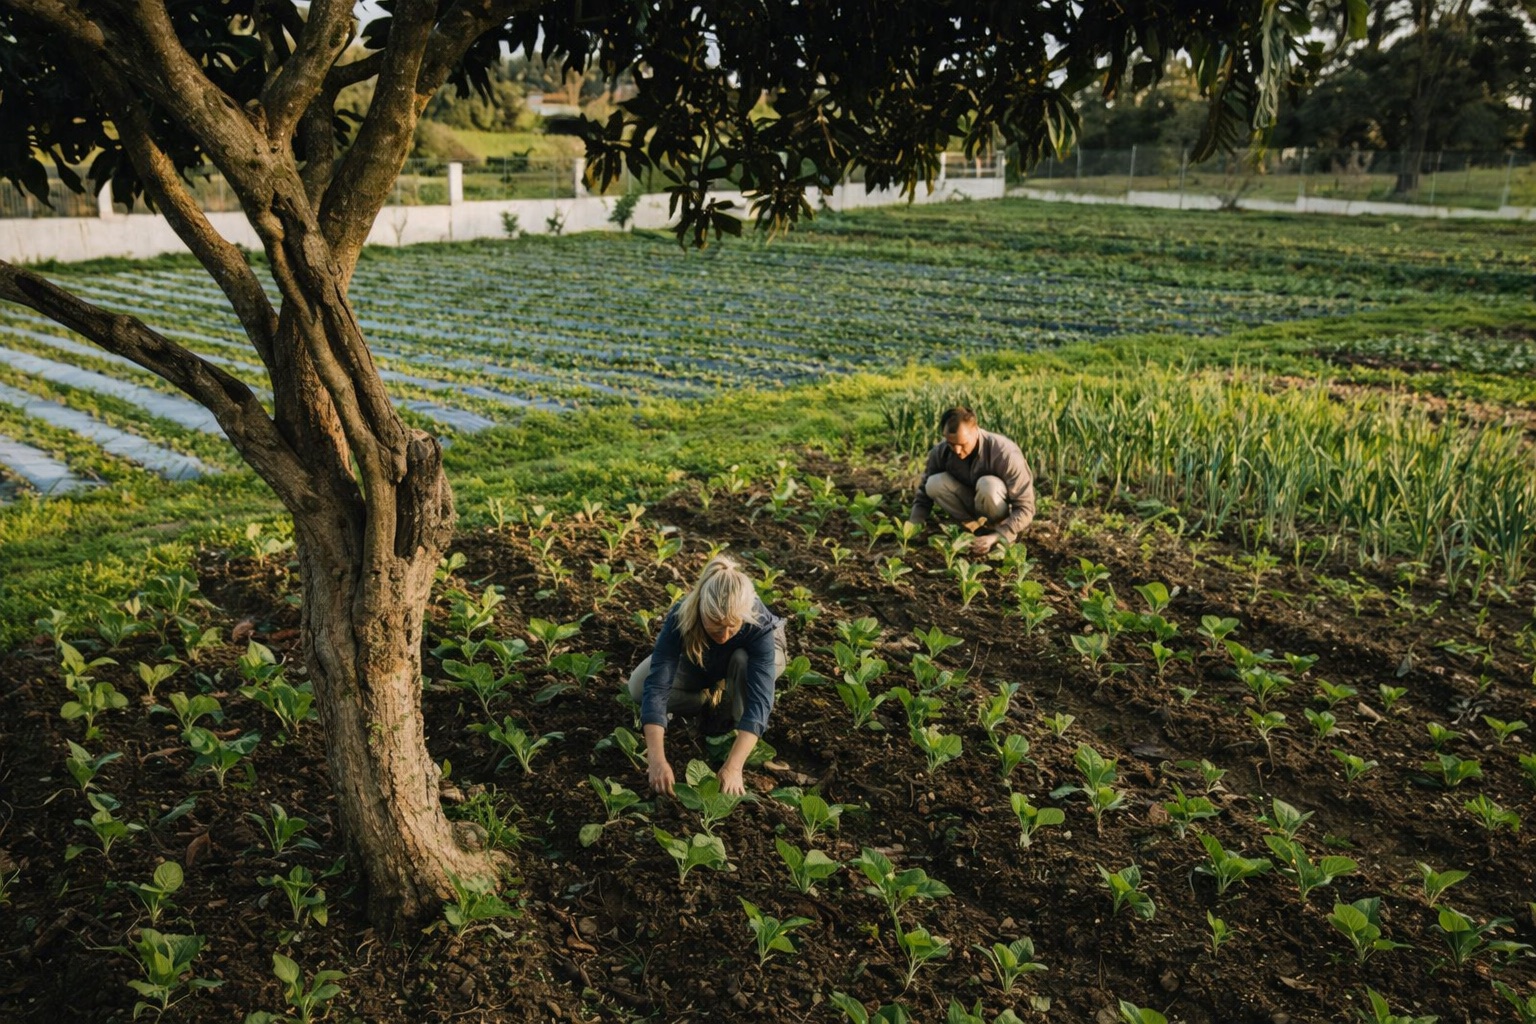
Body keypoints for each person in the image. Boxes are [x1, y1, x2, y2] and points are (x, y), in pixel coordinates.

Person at [626, 556, 787, 798]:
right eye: (716, 625)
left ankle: (734, 730)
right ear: (702, 608)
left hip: (745, 660)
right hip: (705, 655)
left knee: (742, 660)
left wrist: (734, 767)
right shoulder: (682, 615)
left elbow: (760, 702)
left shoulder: (758, 622)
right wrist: (657, 760)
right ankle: (703, 701)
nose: (724, 635)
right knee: (638, 686)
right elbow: (657, 685)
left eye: (732, 626)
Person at [907, 405, 1036, 556]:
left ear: (975, 431)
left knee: (988, 485)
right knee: (933, 483)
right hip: (971, 504)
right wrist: (912, 528)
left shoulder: (1005, 453)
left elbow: (1026, 508)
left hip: (1002, 513)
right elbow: (923, 496)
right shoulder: (941, 452)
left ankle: (997, 534)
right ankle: (973, 528)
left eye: (962, 444)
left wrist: (998, 535)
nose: (957, 450)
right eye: (951, 443)